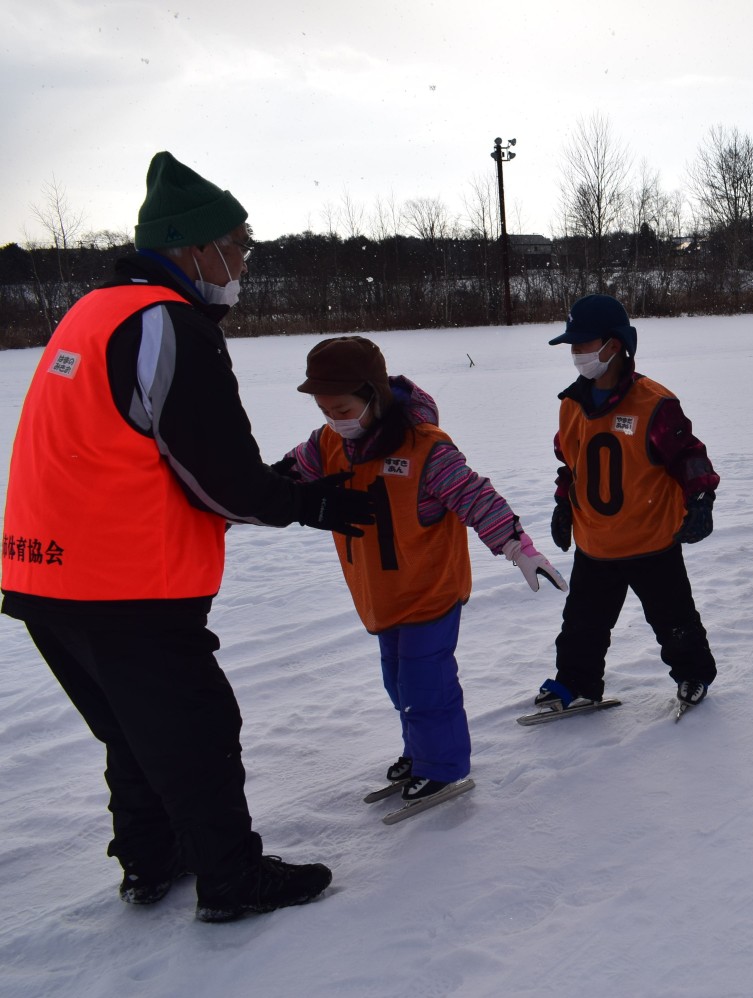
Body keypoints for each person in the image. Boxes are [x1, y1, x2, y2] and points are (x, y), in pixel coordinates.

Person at [0, 152, 372, 922]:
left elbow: (138, 450)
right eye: (235, 245)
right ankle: (232, 881)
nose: (241, 262)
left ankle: (149, 860)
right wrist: (310, 504)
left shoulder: (91, 311)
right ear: (190, 246)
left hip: (44, 580)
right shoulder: (169, 326)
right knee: (199, 729)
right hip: (125, 584)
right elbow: (220, 480)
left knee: (136, 734)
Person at [274, 336, 565, 803]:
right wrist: (230, 505)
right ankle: (422, 750)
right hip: (381, 592)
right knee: (399, 681)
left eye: (343, 409)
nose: (334, 420)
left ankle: (443, 767)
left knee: (426, 683)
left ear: (374, 395)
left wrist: (519, 547)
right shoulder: (326, 444)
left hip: (430, 590)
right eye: (325, 410)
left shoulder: (425, 449)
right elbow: (280, 480)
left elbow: (475, 497)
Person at [541, 294, 719, 713]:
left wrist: (701, 498)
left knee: (674, 621)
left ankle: (693, 674)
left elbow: (688, 455)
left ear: (615, 345)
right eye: (573, 346)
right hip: (595, 544)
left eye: (585, 344)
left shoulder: (655, 404)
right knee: (581, 626)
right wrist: (563, 504)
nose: (577, 354)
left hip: (651, 542)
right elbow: (570, 462)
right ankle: (577, 682)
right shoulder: (571, 405)